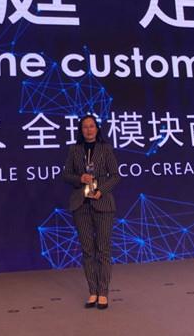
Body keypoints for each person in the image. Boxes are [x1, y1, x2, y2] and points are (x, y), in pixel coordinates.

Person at [62, 114, 121, 309]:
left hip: (102, 204)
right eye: (85, 127)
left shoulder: (105, 149)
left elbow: (115, 176)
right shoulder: (74, 149)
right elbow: (66, 175)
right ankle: (92, 292)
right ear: (81, 130)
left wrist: (101, 190)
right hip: (81, 205)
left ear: (97, 129)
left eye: (92, 126)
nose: (88, 129)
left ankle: (103, 292)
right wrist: (80, 178)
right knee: (87, 250)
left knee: (103, 249)